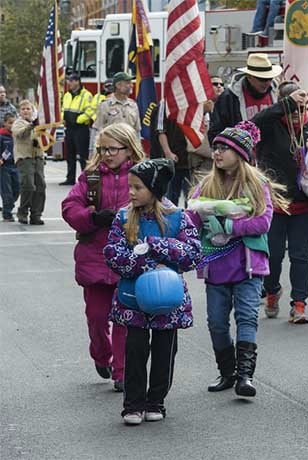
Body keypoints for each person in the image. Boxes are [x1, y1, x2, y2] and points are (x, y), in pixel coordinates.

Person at [186, 122, 289, 397]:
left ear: (240, 154)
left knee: (246, 317)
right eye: (216, 148)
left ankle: (245, 376)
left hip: (248, 264)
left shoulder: (256, 184)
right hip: (216, 266)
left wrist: (231, 228)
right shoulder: (207, 184)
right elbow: (191, 218)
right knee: (217, 322)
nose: (217, 153)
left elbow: (263, 222)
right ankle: (227, 372)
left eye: (223, 149)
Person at [104, 158, 202, 425]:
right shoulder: (123, 217)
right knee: (134, 350)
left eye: (137, 187)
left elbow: (193, 254)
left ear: (155, 189)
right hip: (133, 298)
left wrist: (158, 246)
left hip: (167, 299)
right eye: (130, 187)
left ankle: (156, 400)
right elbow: (113, 254)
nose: (131, 193)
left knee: (165, 351)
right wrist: (145, 263)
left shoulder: (178, 218)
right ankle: (132, 404)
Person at [61, 123, 145, 391]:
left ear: (128, 148)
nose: (107, 154)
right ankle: (101, 354)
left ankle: (121, 373)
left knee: (124, 319)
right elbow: (70, 207)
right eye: (102, 148)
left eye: (113, 148)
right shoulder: (91, 178)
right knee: (97, 317)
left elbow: (159, 208)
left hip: (129, 260)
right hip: (95, 257)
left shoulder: (142, 176)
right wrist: (93, 217)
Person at [253, 81, 308, 324]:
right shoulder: (268, 126)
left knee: (300, 256)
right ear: (282, 106)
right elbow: (255, 121)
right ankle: (272, 291)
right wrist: (286, 103)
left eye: (302, 109)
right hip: (275, 204)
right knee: (273, 255)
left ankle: (299, 304)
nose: (298, 114)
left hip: (304, 206)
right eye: (292, 108)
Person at [208, 53, 282, 143]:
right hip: (241, 153)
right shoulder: (229, 98)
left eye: (270, 78)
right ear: (249, 77)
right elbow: (216, 131)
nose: (266, 83)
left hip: (271, 152)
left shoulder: (278, 93)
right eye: (261, 79)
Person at [150, 100, 191, 206]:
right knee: (170, 198)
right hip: (173, 161)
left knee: (191, 199)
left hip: (189, 159)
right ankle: (169, 221)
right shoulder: (164, 105)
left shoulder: (190, 101)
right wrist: (168, 153)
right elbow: (160, 131)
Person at [12, 100, 46, 225]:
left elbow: (45, 137)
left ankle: (36, 214)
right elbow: (20, 134)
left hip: (38, 157)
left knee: (40, 186)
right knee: (28, 186)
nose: (26, 111)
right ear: (20, 112)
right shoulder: (18, 123)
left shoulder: (38, 124)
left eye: (28, 109)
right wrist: (30, 126)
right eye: (23, 109)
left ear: (32, 111)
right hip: (24, 158)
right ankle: (23, 211)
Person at [61, 73, 93, 185]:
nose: (69, 83)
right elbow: (62, 109)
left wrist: (77, 120)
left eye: (71, 81)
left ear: (77, 81)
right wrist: (63, 119)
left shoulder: (86, 95)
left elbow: (90, 111)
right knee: (70, 155)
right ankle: (70, 178)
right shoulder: (66, 95)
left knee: (83, 156)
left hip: (81, 128)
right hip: (69, 128)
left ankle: (86, 179)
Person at [86, 79, 114, 158]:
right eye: (107, 86)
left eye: (111, 86)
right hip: (98, 125)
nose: (109, 88)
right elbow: (91, 109)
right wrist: (96, 118)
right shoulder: (97, 97)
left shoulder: (116, 98)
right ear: (103, 87)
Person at [1, 113, 20, 222]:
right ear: (5, 123)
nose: (12, 125)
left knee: (17, 188)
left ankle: (8, 205)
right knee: (6, 190)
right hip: (4, 166)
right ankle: (7, 213)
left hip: (16, 165)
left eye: (14, 123)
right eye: (10, 123)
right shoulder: (1, 135)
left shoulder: (17, 135)